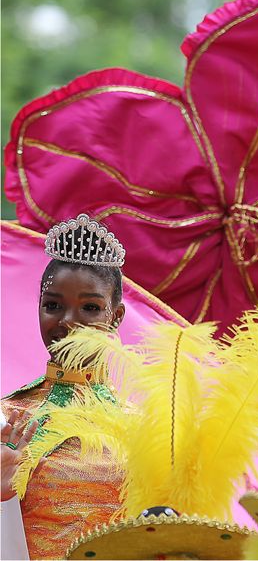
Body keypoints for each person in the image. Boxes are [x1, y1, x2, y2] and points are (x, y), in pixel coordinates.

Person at [1, 214, 126, 560]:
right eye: (53, 305)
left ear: (116, 316)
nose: (67, 322)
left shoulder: (149, 431)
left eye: (89, 307)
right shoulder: (6, 419)